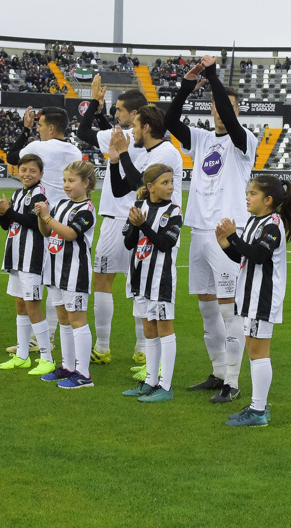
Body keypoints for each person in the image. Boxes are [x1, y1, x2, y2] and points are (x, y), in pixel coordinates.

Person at [163, 56, 258, 403]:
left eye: (226, 106)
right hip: (199, 230)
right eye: (217, 106)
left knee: (228, 308)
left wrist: (214, 76)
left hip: (227, 233)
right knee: (206, 307)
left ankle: (233, 381)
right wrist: (188, 86)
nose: (219, 111)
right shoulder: (202, 139)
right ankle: (218, 371)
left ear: (234, 110)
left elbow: (231, 122)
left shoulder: (243, 139)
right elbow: (170, 120)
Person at [75, 77, 150, 366]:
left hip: (116, 219)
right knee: (140, 286)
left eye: (119, 110)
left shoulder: (119, 137)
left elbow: (83, 130)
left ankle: (103, 347)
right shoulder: (154, 142)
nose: (115, 114)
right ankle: (142, 349)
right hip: (143, 218)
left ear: (133, 114)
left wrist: (94, 101)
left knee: (103, 281)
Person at [215, 176, 291, 427]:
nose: (247, 197)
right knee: (253, 350)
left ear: (268, 200)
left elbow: (261, 256)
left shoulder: (273, 224)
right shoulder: (254, 221)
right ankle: (256, 406)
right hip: (249, 294)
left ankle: (259, 411)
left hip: (264, 296)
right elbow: (245, 256)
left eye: (252, 193)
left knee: (259, 353)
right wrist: (226, 245)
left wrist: (234, 238)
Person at [5, 106, 84, 349]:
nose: (37, 130)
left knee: (40, 281)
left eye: (39, 126)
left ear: (50, 128)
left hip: (42, 215)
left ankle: (40, 339)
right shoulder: (75, 150)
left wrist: (24, 129)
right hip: (65, 215)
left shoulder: (37, 147)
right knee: (55, 281)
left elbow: (12, 157)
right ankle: (48, 336)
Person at [120, 163, 183, 403]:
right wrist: (137, 227)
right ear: (150, 187)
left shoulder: (174, 211)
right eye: (165, 183)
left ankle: (165, 385)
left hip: (161, 280)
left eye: (171, 182)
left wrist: (143, 225)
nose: (170, 187)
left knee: (164, 329)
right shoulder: (138, 206)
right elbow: (128, 243)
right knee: (148, 330)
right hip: (139, 278)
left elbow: (165, 245)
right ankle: (150, 381)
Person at [34, 161, 97, 389]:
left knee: (78, 321)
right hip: (55, 271)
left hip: (75, 272)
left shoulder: (87, 209)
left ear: (86, 183)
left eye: (72, 181)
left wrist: (48, 218)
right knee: (63, 318)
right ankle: (68, 366)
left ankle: (84, 374)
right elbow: (47, 232)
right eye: (64, 180)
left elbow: (70, 234)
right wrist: (42, 217)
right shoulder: (61, 204)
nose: (66, 185)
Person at [0, 154, 51, 372]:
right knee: (20, 305)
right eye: (24, 170)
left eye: (32, 171)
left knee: (33, 306)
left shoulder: (39, 194)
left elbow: (35, 224)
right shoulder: (18, 193)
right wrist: (2, 212)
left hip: (32, 258)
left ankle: (46, 357)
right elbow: (8, 225)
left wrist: (9, 211)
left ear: (41, 174)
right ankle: (22, 354)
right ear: (17, 171)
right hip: (16, 256)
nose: (27, 174)